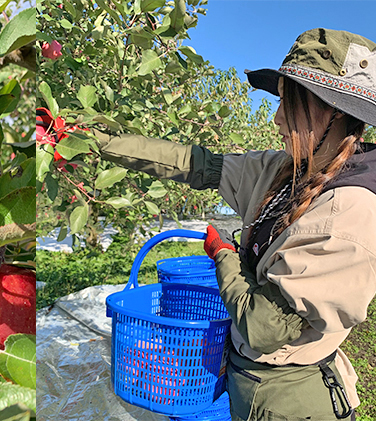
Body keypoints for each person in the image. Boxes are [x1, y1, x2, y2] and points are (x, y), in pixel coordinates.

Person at [94, 28, 376, 420]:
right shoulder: (282, 172)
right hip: (248, 384)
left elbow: (263, 327)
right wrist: (97, 141)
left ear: (335, 111)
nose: (277, 117)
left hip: (291, 401)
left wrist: (224, 254)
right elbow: (194, 164)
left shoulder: (349, 215)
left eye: (290, 103)